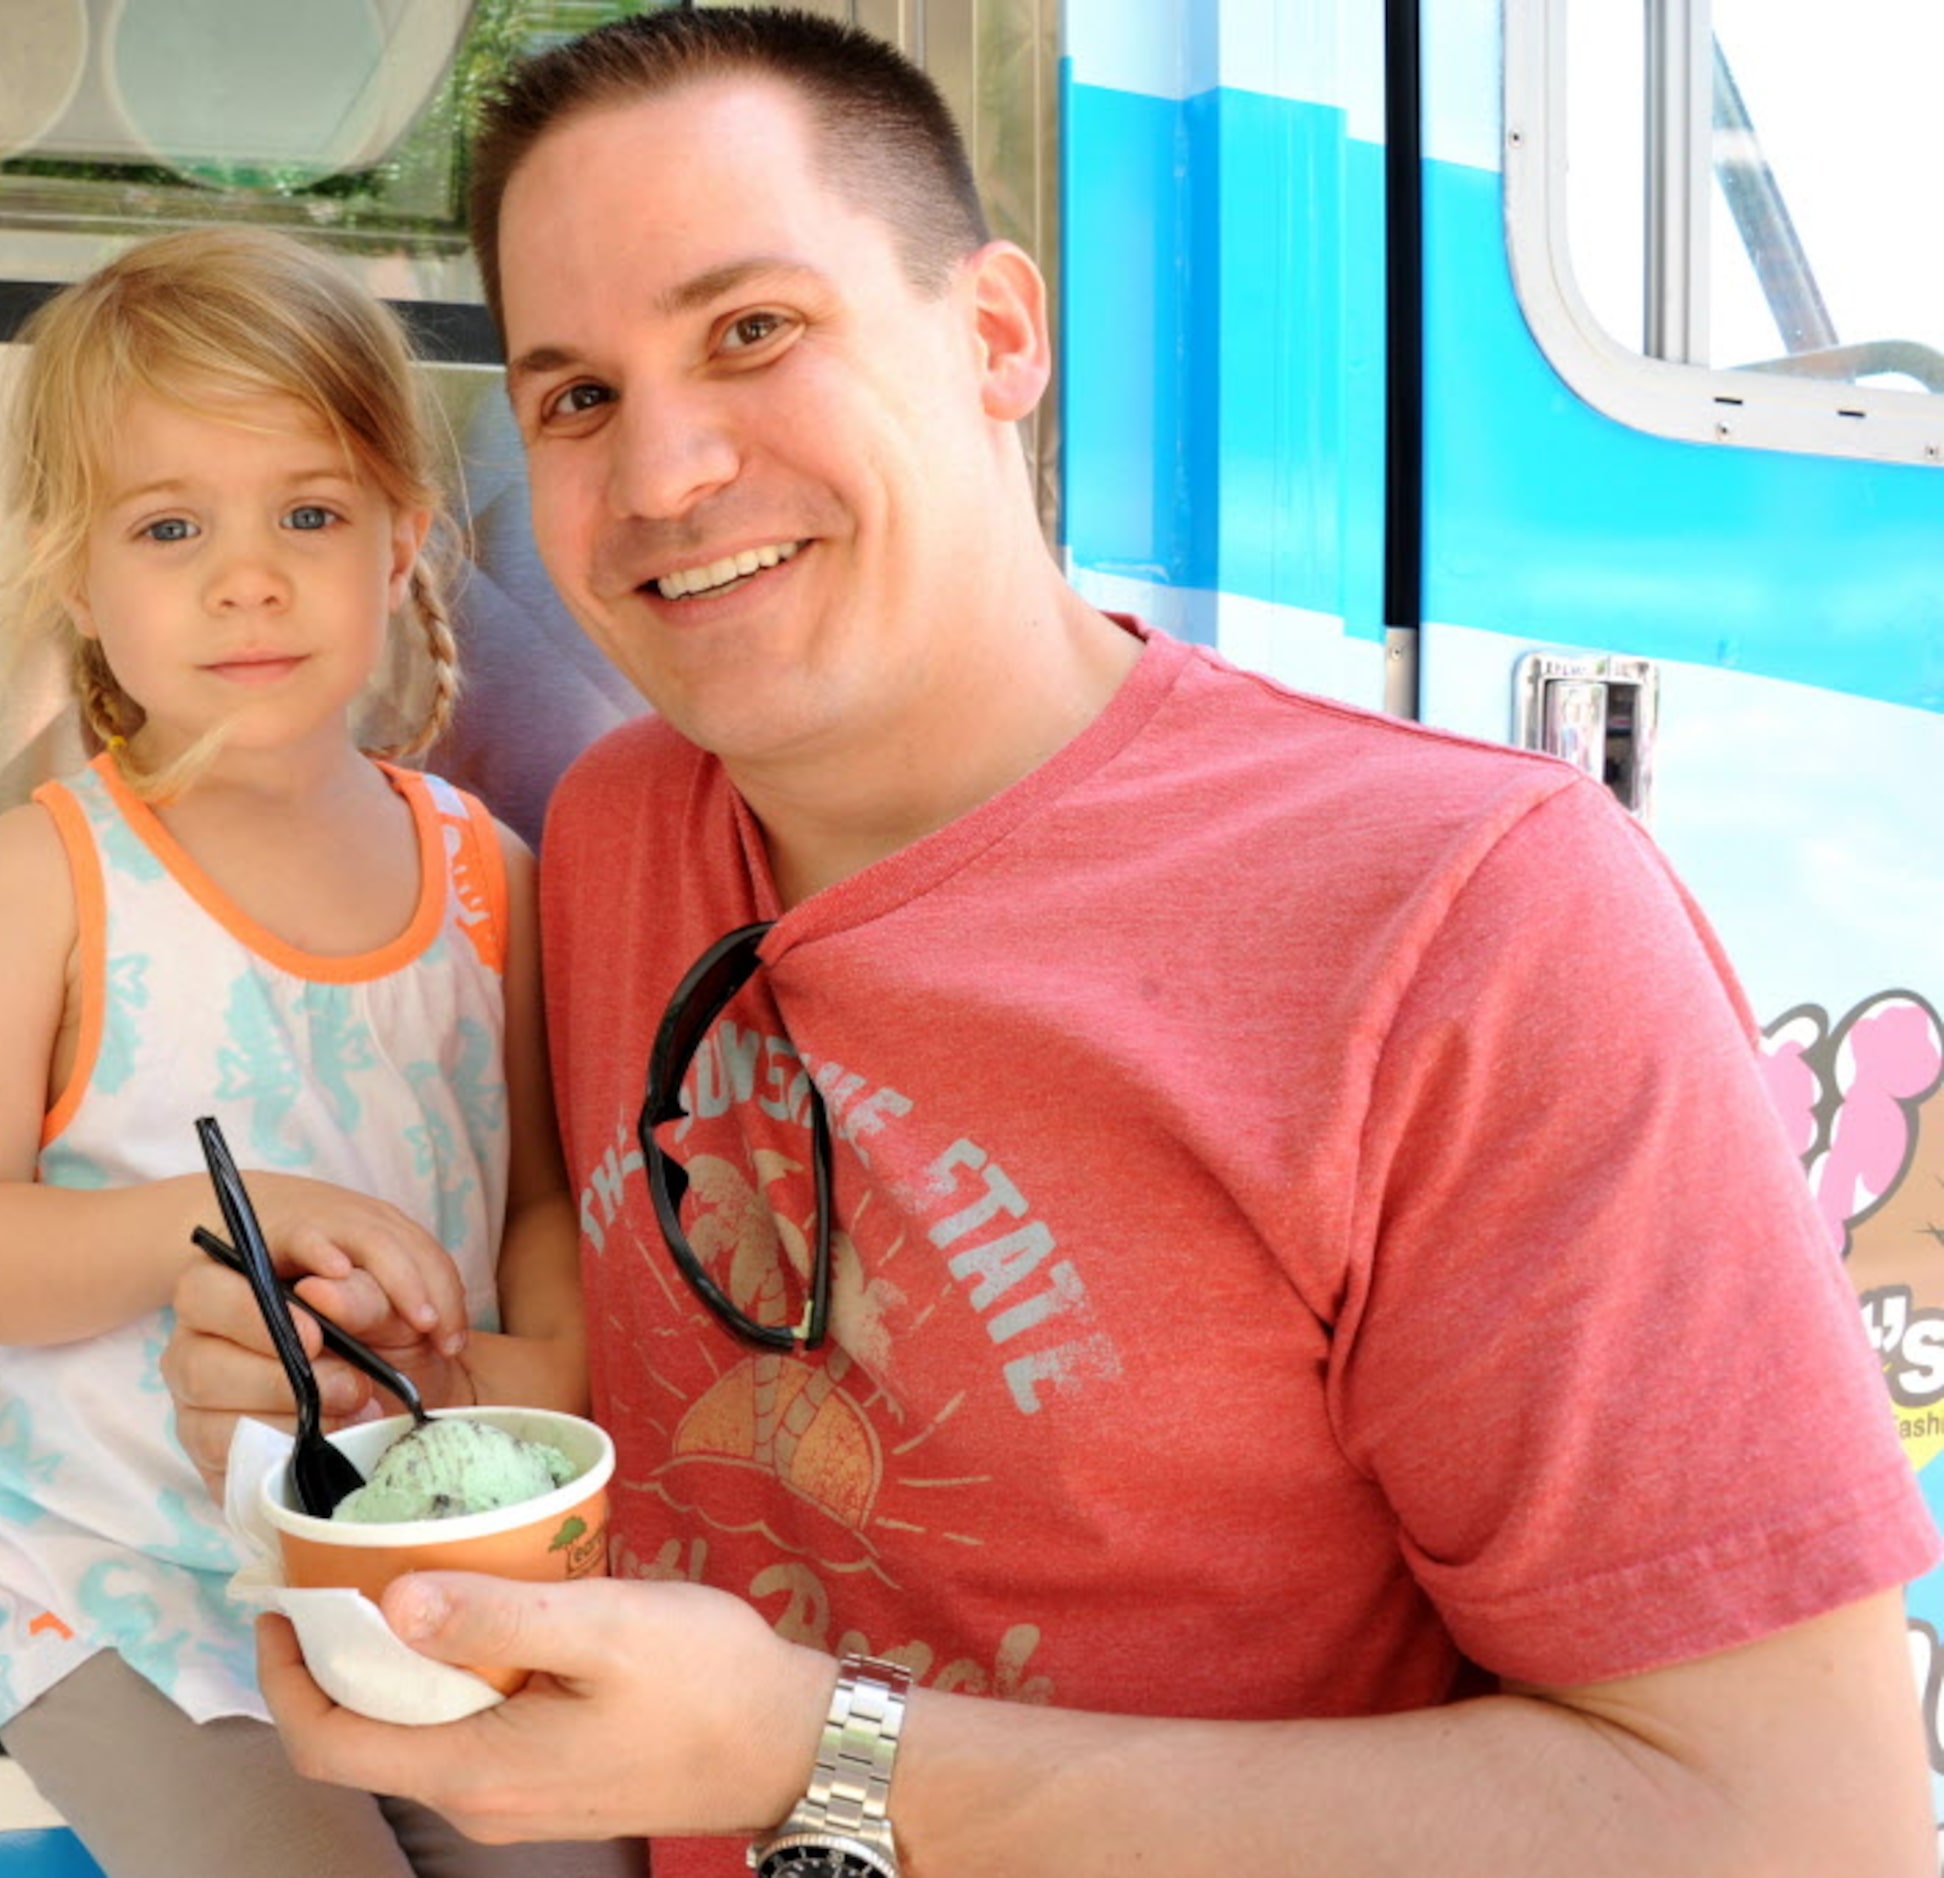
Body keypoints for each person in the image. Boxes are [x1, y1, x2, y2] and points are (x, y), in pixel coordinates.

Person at [155, 12, 1942, 1877]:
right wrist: (423, 1411)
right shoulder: (619, 838)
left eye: (752, 331)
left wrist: (814, 1756)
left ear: (1000, 333)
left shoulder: (1472, 919)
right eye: (577, 398)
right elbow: (748, 1434)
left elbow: (1795, 1826)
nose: (666, 469)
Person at [0, 225, 634, 1878]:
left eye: (309, 510)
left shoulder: (481, 874)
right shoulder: (55, 875)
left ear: (401, 542)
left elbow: (537, 1207)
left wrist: (519, 1378)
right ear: (79, 576)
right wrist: (223, 1219)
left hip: (411, 1541)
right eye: (170, 525)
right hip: (115, 1575)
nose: (249, 574)